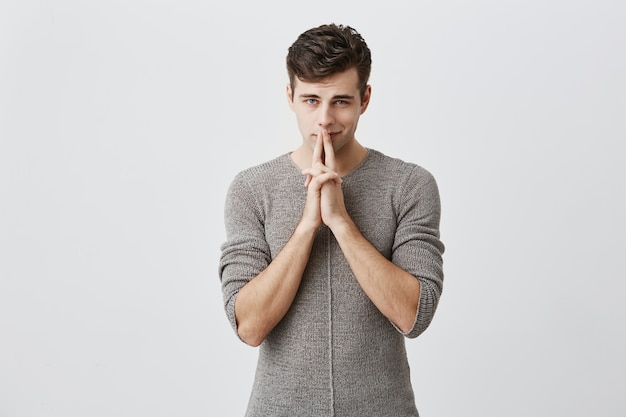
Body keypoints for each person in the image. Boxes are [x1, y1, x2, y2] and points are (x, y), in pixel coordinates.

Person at [219, 23, 444, 417]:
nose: (324, 119)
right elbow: (249, 326)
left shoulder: (410, 185)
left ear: (365, 98)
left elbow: (414, 315)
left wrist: (340, 221)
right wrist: (307, 226)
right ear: (289, 97)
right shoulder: (252, 188)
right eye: (310, 101)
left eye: (340, 101)